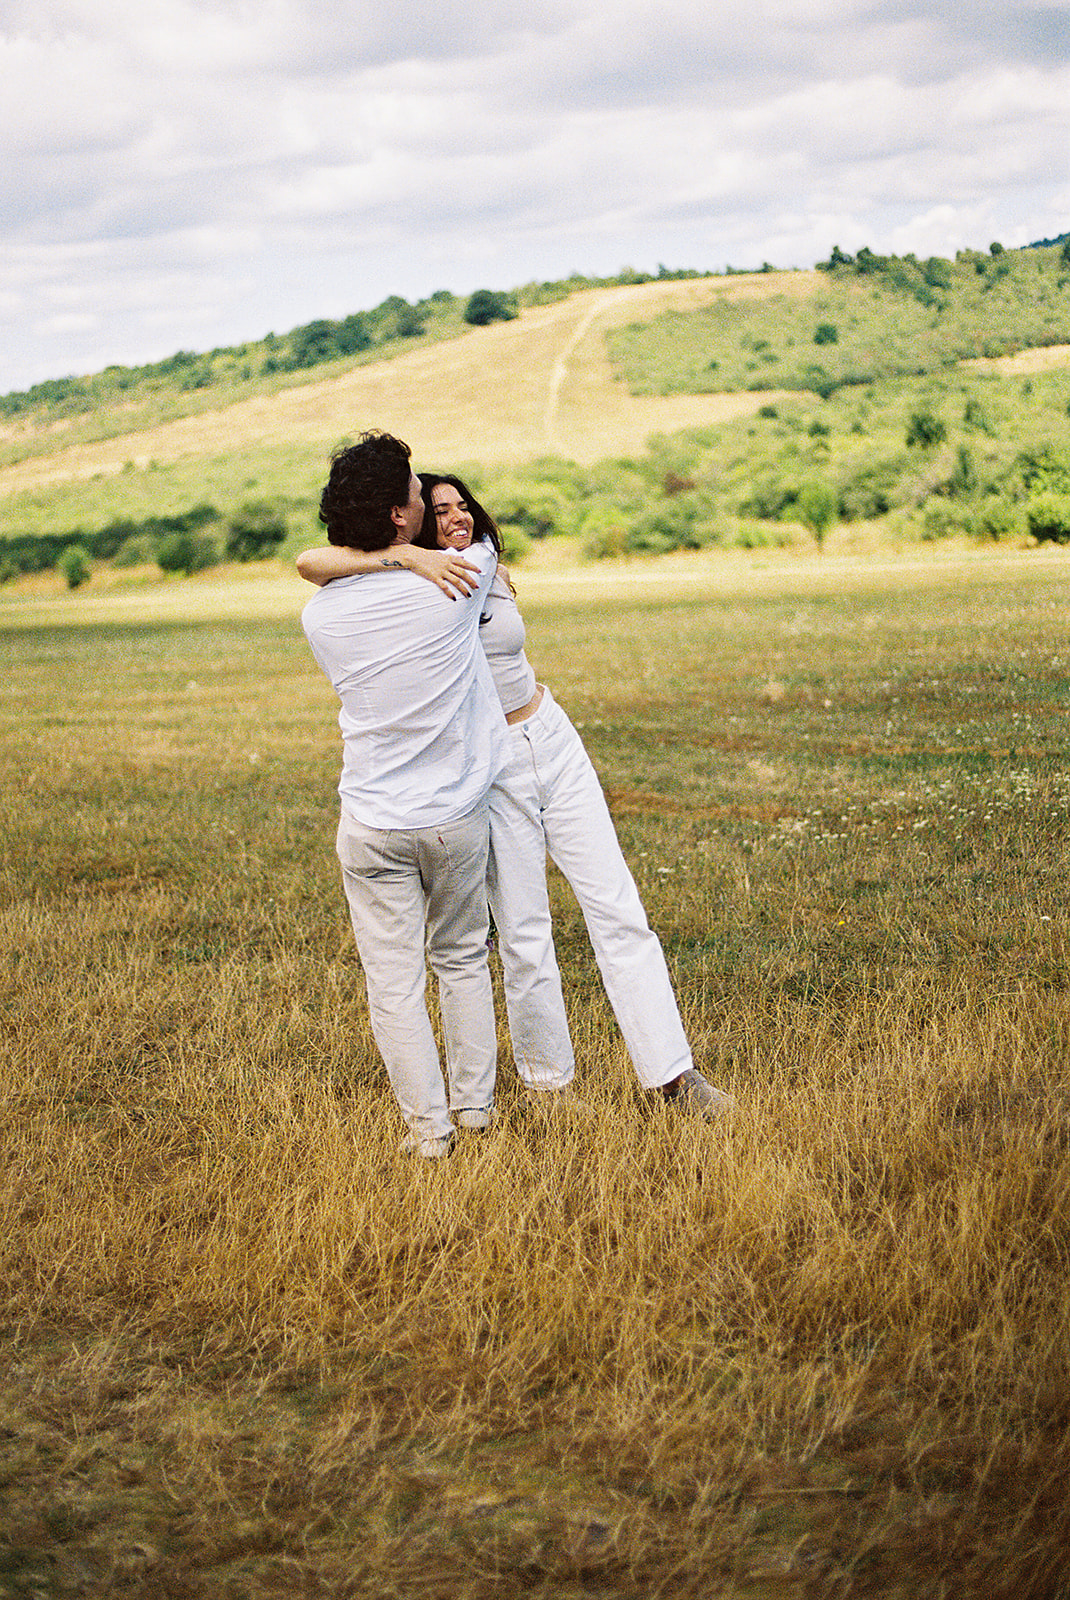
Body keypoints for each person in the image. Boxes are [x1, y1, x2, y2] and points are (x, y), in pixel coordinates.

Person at [299, 471, 732, 1120]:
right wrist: (407, 557)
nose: (458, 519)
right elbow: (309, 561)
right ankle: (550, 1087)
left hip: (552, 739)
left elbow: (319, 563)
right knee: (526, 932)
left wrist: (417, 552)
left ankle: (674, 1077)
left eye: (463, 505)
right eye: (438, 511)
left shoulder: (480, 562)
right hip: (488, 764)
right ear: (409, 523)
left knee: (618, 907)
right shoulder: (401, 586)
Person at [300, 433, 509, 1158]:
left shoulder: (319, 616)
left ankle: (430, 1134)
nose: (431, 503)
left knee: (392, 981)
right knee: (459, 960)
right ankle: (475, 1110)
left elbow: (311, 564)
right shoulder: (459, 580)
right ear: (398, 514)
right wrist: (416, 553)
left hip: (369, 823)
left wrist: (392, 551)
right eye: (420, 496)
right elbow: (478, 535)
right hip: (452, 818)